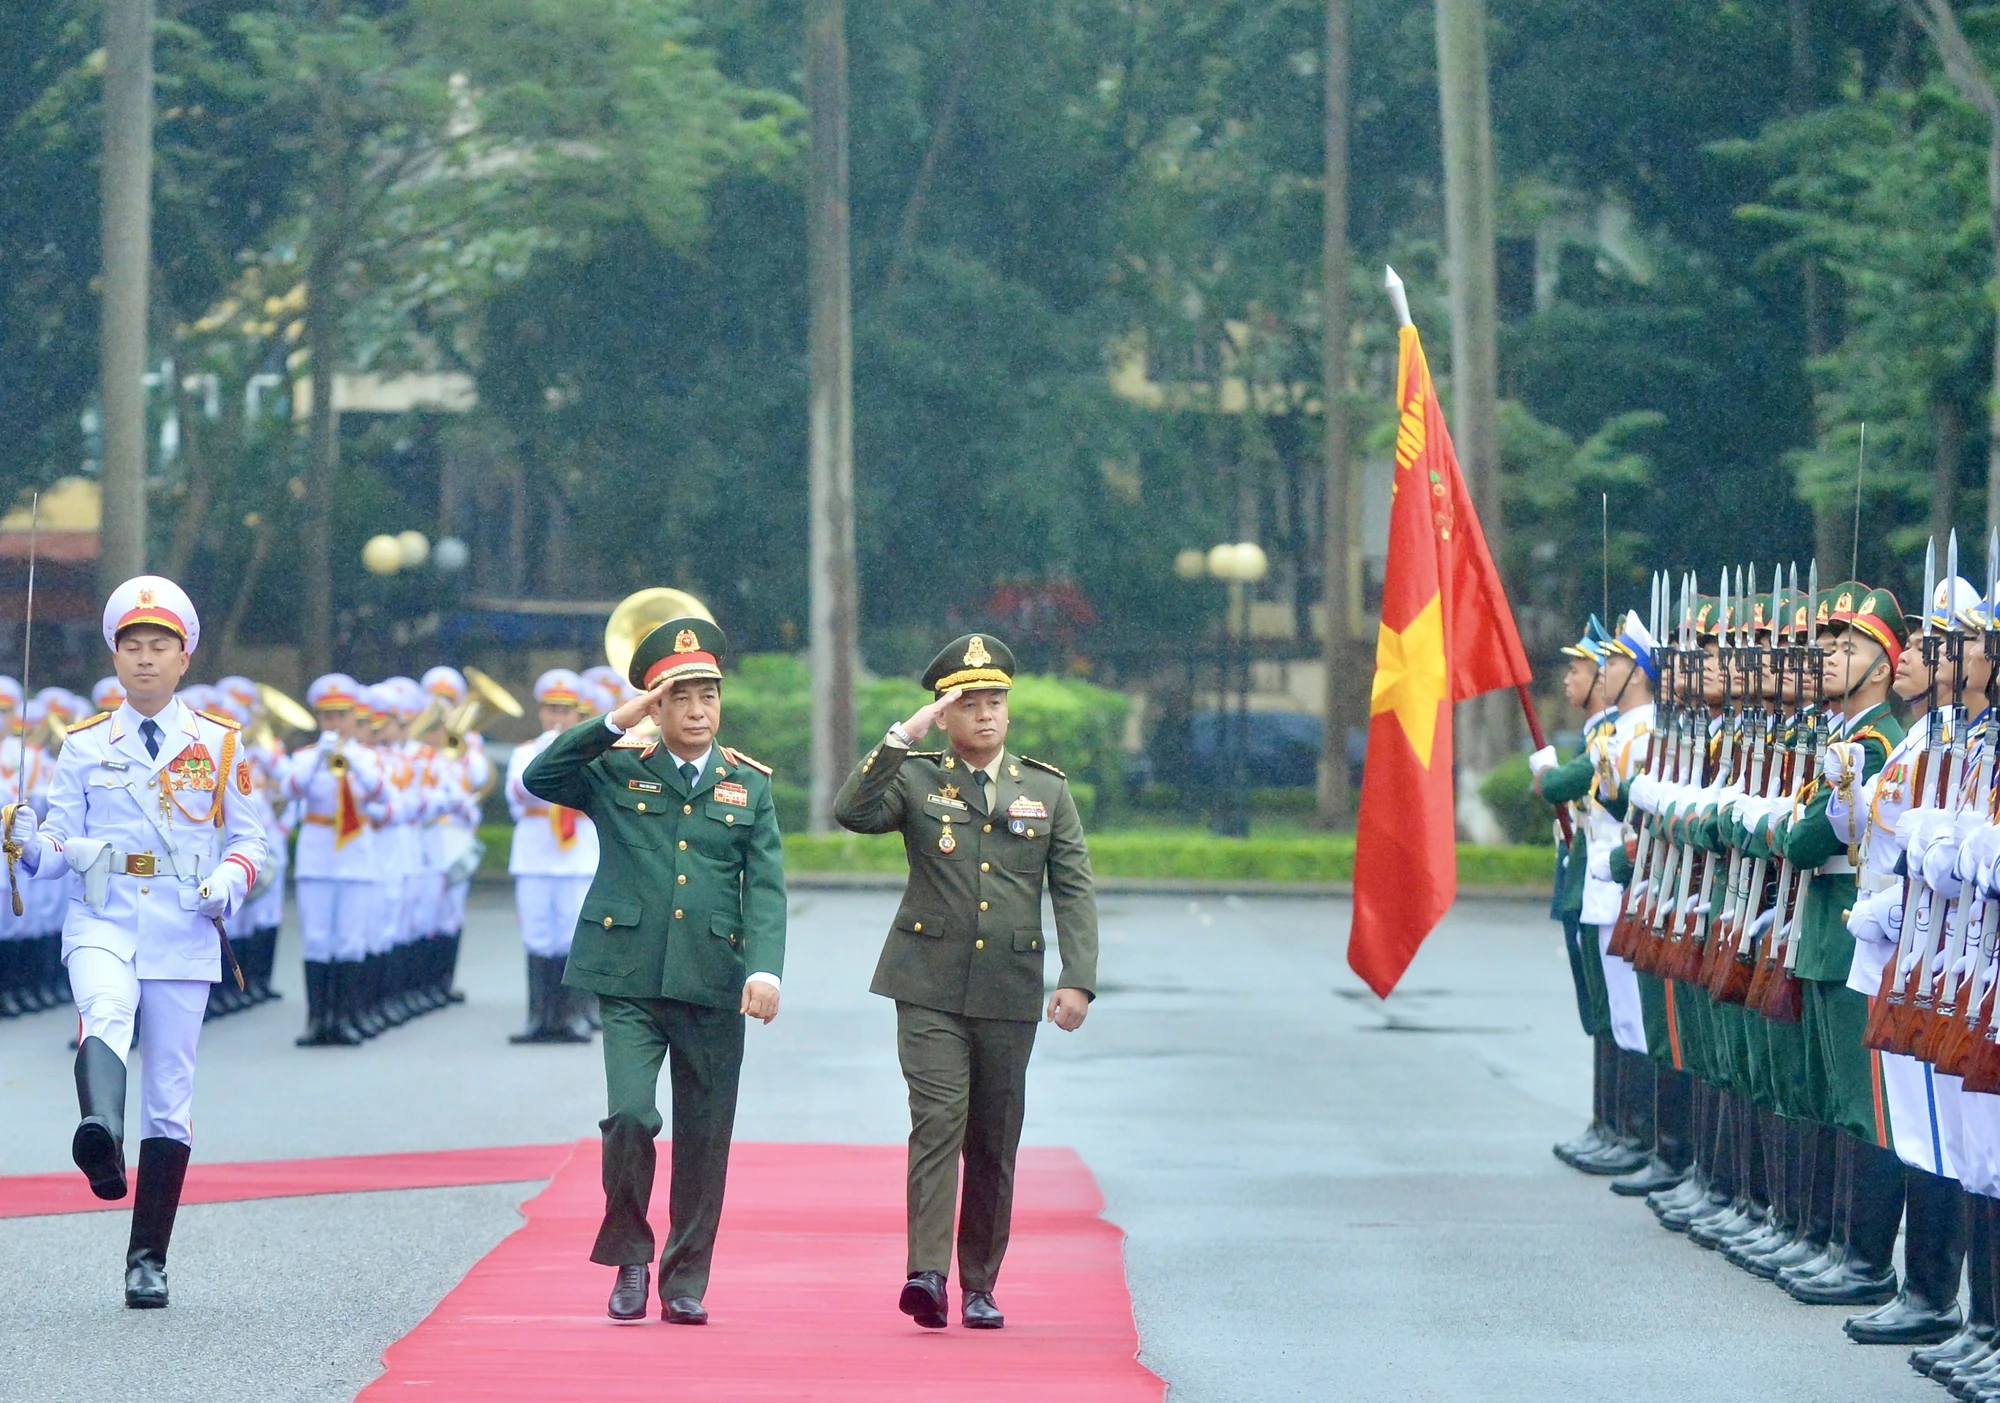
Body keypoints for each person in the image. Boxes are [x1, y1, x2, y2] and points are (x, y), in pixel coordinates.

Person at [3, 575, 266, 1308]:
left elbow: (252, 841)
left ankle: (147, 1257)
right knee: (106, 1013)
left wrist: (229, 881)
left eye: (160, 646)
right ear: (114, 657)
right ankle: (99, 1134)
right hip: (103, 916)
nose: (145, 658)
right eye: (132, 646)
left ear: (186, 658)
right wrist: (26, 842)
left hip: (184, 924)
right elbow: (57, 847)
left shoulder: (219, 744)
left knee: (171, 1096)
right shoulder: (84, 746)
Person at [520, 617, 785, 1325]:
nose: (699, 711)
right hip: (630, 977)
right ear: (656, 704)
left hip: (713, 978)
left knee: (705, 1135)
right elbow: (539, 774)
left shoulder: (746, 785)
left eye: (709, 695)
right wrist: (615, 720)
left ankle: (685, 1275)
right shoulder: (616, 768)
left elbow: (765, 888)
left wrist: (766, 971)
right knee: (632, 1115)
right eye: (682, 697)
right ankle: (630, 1254)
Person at [834, 633, 1098, 1331]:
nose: (985, 715)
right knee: (938, 1120)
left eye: (995, 702)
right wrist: (901, 736)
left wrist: (1078, 979)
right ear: (943, 715)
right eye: (968, 704)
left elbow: (1073, 889)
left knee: (992, 1138)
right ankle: (927, 1273)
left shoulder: (1046, 789)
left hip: (1010, 988)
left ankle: (980, 1281)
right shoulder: (918, 778)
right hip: (927, 983)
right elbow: (852, 811)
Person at [285, 674, 387, 1047]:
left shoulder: (368, 756)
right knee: (316, 940)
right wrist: (320, 758)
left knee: (349, 940)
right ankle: (318, 1020)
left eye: (341, 715)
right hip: (318, 853)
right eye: (327, 716)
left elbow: (379, 791)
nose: (334, 723)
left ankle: (347, 1017)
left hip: (355, 854)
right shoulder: (305, 757)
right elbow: (291, 789)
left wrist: (352, 760)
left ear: (353, 716)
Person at [506, 670, 600, 1044]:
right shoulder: (525, 752)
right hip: (535, 854)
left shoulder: (590, 753)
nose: (558, 717)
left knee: (572, 938)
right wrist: (548, 753)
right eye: (551, 709)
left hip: (575, 855)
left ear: (578, 714)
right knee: (538, 936)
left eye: (565, 710)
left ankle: (572, 1016)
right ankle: (539, 1017)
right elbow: (521, 791)